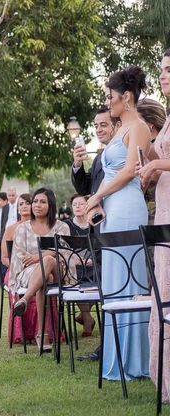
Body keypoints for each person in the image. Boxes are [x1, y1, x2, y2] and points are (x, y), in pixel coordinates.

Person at [85, 66, 151, 381]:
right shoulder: (120, 128)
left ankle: (135, 359)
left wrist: (96, 197)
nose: (108, 102)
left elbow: (128, 172)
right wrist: (95, 200)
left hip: (126, 208)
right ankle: (117, 357)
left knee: (129, 280)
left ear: (126, 97)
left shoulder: (137, 126)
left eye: (110, 97)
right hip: (112, 209)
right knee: (113, 282)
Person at [138, 49, 170, 403]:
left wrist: (155, 166)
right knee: (163, 290)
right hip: (162, 210)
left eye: (168, 70)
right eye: (162, 70)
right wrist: (148, 165)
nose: (163, 76)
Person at [11, 188, 70, 352]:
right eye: (35, 201)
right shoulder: (22, 228)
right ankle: (42, 334)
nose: (37, 205)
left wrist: (40, 256)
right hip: (30, 272)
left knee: (49, 260)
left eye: (43, 202)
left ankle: (24, 299)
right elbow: (21, 255)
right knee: (46, 278)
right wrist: (47, 255)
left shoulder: (62, 227)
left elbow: (65, 252)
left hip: (59, 270)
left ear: (51, 205)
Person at [2, 192, 40, 344]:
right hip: (15, 269)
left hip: (37, 267)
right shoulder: (11, 229)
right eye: (21, 204)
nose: (24, 206)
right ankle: (21, 333)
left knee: (42, 278)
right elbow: (4, 258)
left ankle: (42, 331)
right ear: (17, 209)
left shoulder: (41, 226)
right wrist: (17, 266)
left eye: (27, 203)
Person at [64, 194, 95, 337]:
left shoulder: (95, 223)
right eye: (74, 204)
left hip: (94, 263)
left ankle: (84, 314)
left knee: (101, 274)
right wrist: (77, 258)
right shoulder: (66, 225)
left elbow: (99, 245)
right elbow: (64, 247)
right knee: (74, 275)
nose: (77, 207)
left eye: (81, 204)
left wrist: (92, 259)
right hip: (75, 263)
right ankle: (87, 318)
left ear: (88, 205)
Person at [71, 107, 117, 196]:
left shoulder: (128, 150)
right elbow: (84, 189)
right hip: (100, 209)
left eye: (103, 125)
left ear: (117, 125)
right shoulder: (98, 158)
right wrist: (77, 165)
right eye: (96, 126)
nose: (98, 130)